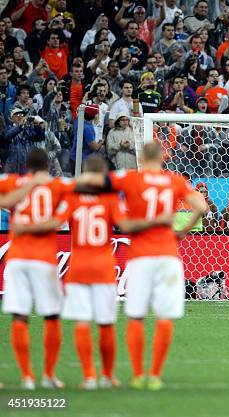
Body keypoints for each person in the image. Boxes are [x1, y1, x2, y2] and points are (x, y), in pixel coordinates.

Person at [12, 155, 172, 389]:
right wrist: (156, 221)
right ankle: (107, 376)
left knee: (82, 323)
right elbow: (126, 226)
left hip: (78, 268)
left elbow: (54, 223)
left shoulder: (72, 199)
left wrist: (26, 227)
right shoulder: (109, 200)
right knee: (106, 323)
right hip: (104, 267)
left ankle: (88, 377)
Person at [80, 142, 207, 390]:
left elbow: (93, 182)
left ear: (140, 156)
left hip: (139, 255)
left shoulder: (129, 179)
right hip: (168, 255)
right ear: (163, 157)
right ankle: (155, 376)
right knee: (164, 316)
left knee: (136, 316)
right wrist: (182, 230)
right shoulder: (175, 180)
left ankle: (138, 374)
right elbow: (201, 207)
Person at [2, 149, 76, 389]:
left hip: (17, 258)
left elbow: (4, 202)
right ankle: (49, 375)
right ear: (48, 165)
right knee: (51, 315)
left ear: (26, 166)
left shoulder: (14, 182)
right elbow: (78, 192)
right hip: (44, 260)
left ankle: (26, 377)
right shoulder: (57, 185)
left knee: (19, 316)